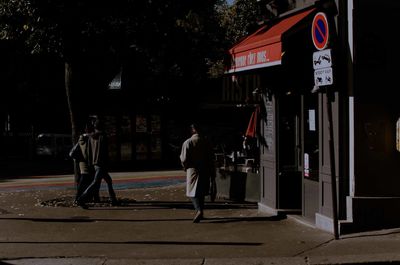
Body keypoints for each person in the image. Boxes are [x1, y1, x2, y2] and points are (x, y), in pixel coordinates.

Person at [76, 118, 118, 208]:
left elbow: (89, 152)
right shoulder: (103, 137)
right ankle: (81, 199)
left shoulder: (91, 137)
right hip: (102, 163)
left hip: (95, 163)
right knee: (95, 182)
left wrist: (91, 163)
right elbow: (105, 152)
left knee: (109, 181)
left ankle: (113, 199)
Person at [180, 124, 214, 223]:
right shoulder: (206, 141)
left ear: (193, 130)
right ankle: (201, 211)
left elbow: (184, 158)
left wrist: (185, 167)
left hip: (193, 169)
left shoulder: (188, 142)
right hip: (205, 169)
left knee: (192, 192)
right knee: (201, 191)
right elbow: (211, 157)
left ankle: (198, 210)